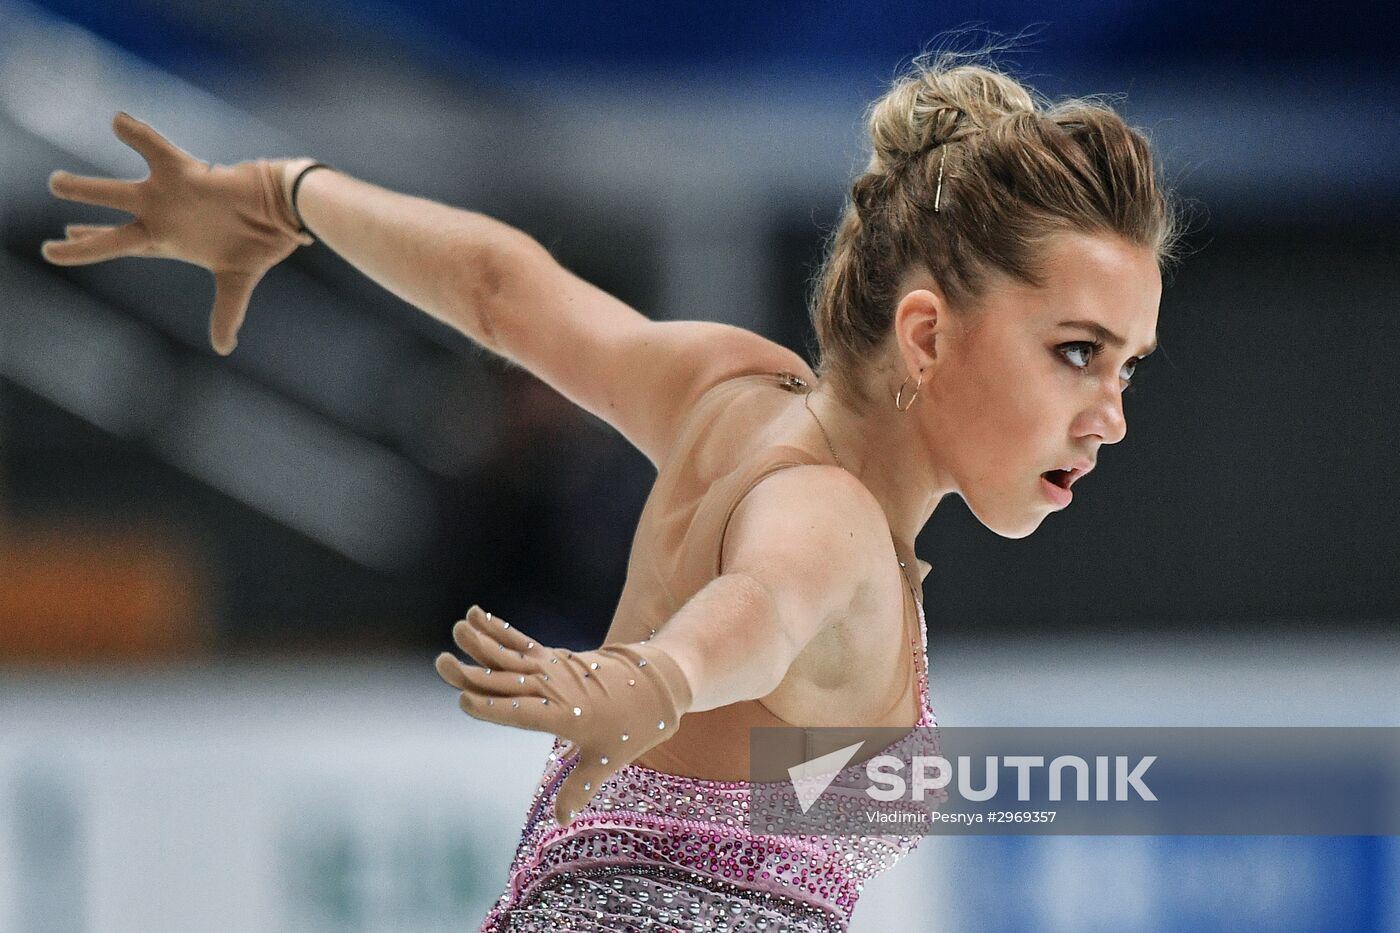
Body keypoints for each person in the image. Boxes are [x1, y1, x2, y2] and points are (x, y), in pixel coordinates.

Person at [43, 48, 1179, 933]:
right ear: (924, 334)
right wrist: (657, 678)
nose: (1111, 415)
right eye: (1075, 351)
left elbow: (504, 291)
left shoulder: (726, 391)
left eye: (1127, 367)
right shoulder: (829, 519)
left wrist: (289, 193)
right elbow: (762, 607)